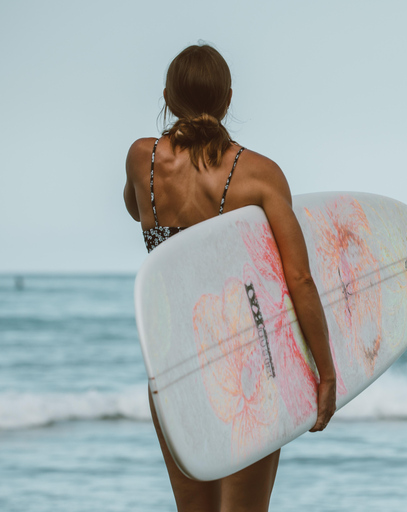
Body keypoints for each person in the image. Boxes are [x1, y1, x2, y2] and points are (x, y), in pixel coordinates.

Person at [123, 43, 337, 512]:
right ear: (229, 98)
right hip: (247, 366)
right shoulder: (258, 174)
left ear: (166, 95)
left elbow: (133, 206)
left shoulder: (143, 160)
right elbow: (298, 279)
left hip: (172, 365)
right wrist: (326, 371)